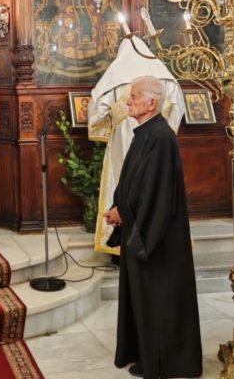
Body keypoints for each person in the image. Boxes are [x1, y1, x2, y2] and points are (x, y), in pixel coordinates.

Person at [104, 76, 202, 379]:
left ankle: (162, 363)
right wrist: (120, 207)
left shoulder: (160, 138)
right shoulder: (146, 133)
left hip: (156, 238)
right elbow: (133, 182)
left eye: (134, 96)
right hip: (141, 227)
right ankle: (144, 354)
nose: (128, 101)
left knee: (158, 300)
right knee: (142, 299)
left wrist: (124, 214)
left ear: (152, 102)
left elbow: (155, 193)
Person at [88, 36, 185, 256]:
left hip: (126, 138)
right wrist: (168, 128)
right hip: (158, 132)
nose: (129, 100)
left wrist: (109, 124)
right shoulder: (163, 73)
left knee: (126, 182)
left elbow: (97, 111)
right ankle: (143, 241)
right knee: (152, 188)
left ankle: (125, 242)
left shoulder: (115, 74)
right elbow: (177, 107)